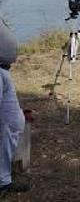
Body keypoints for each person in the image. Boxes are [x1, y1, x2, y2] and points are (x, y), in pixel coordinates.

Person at [0, 21, 30, 196]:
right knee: (11, 124)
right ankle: (3, 182)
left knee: (14, 123)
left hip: (3, 69)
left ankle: (4, 180)